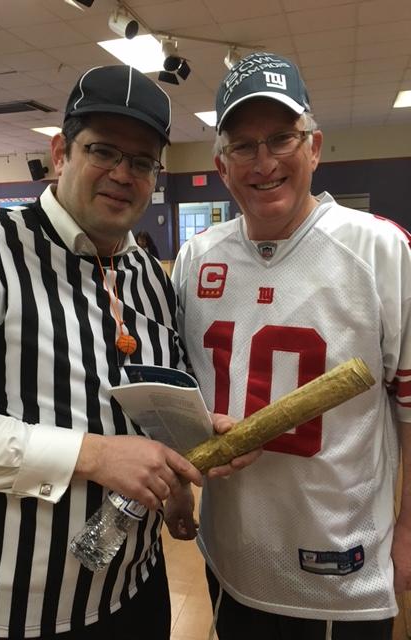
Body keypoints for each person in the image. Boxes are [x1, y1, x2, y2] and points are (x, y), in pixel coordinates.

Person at [0, 65, 257, 640]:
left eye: (142, 161)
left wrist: (189, 450)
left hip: (133, 589)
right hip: (1, 608)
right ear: (61, 153)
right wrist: (92, 454)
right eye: (103, 150)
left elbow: (153, 399)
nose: (122, 174)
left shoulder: (149, 276)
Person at [168, 51, 411, 639]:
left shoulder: (380, 250)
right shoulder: (195, 259)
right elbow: (181, 399)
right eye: (243, 146)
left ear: (315, 147)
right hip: (230, 557)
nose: (264, 162)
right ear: (221, 165)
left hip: (341, 571)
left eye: (282, 138)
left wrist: (409, 531)